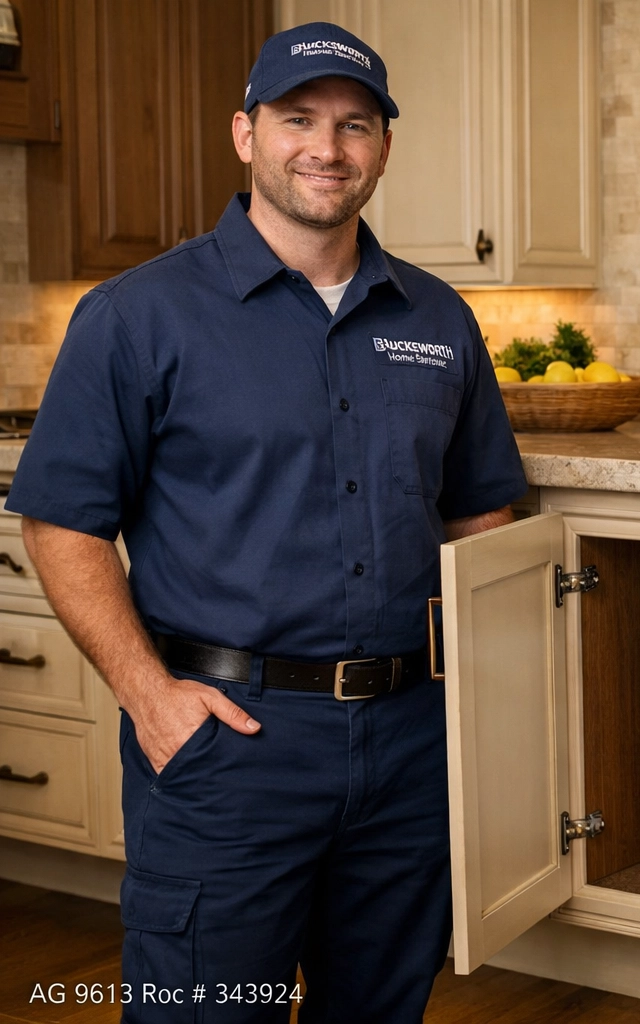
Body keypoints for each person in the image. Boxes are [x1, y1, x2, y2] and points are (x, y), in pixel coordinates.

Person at [7, 22, 526, 1024]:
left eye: (355, 124)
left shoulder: (438, 320)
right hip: (230, 744)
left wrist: (478, 715)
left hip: (410, 749)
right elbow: (60, 523)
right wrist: (151, 699)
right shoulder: (137, 315)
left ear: (383, 146)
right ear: (245, 134)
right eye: (298, 119)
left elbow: (480, 516)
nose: (327, 148)